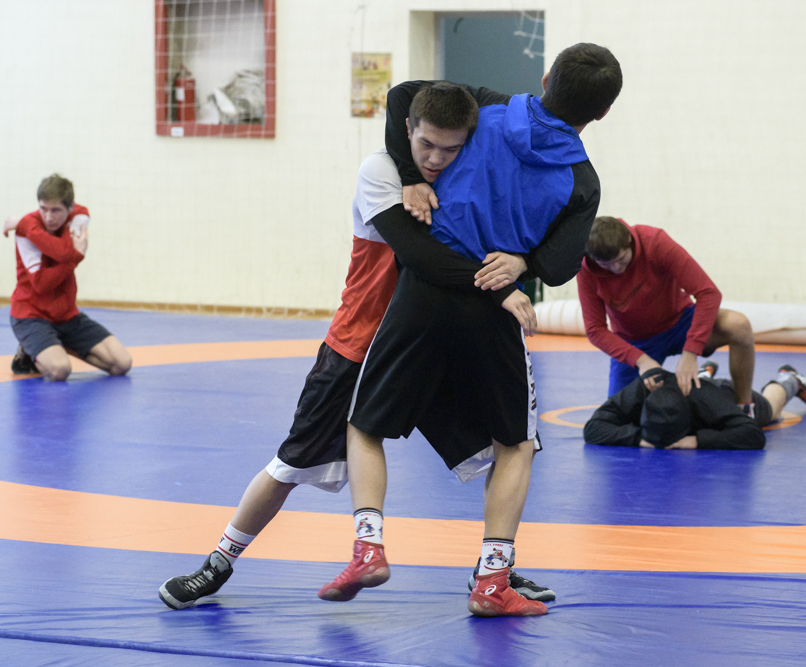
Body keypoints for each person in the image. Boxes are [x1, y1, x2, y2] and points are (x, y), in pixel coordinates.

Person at [158, 83, 553, 611]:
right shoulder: (380, 172)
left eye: (450, 148)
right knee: (290, 465)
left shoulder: (466, 171)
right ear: (407, 131)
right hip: (361, 343)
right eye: (426, 146)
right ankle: (218, 562)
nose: (436, 159)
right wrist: (501, 282)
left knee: (509, 448)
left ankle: (493, 570)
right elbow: (418, 255)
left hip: (434, 345)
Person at [320, 43, 622, 617]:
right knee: (516, 446)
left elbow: (402, 97)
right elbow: (562, 266)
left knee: (365, 425)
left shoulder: (488, 108)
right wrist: (525, 262)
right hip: (495, 304)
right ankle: (491, 581)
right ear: (602, 113)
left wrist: (411, 175)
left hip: (424, 293)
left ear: (545, 78)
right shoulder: (582, 181)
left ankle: (368, 546)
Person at [577, 215, 757, 412]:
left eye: (621, 259)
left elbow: (708, 292)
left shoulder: (654, 242)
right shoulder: (585, 268)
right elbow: (594, 330)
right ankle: (705, 375)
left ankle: (745, 406)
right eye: (606, 265)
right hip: (635, 342)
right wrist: (641, 360)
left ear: (629, 240)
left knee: (738, 325)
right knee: (621, 414)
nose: (616, 268)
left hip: (680, 323)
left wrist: (691, 352)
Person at [4, 174, 131, 382]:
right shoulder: (25, 230)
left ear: (70, 208)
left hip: (66, 315)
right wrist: (74, 257)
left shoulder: (78, 217)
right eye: (43, 209)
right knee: (59, 370)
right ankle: (29, 351)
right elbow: (41, 284)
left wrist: (27, 227)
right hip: (30, 314)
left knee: (122, 363)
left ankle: (56, 344)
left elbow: (65, 249)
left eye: (56, 210)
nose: (48, 217)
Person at [583, 362, 806, 449]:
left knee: (769, 411)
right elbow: (593, 428)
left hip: (722, 392)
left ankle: (789, 379)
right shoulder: (645, 387)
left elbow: (752, 434)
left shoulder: (710, 401)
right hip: (689, 387)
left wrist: (698, 440)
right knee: (695, 382)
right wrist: (639, 438)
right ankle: (702, 372)